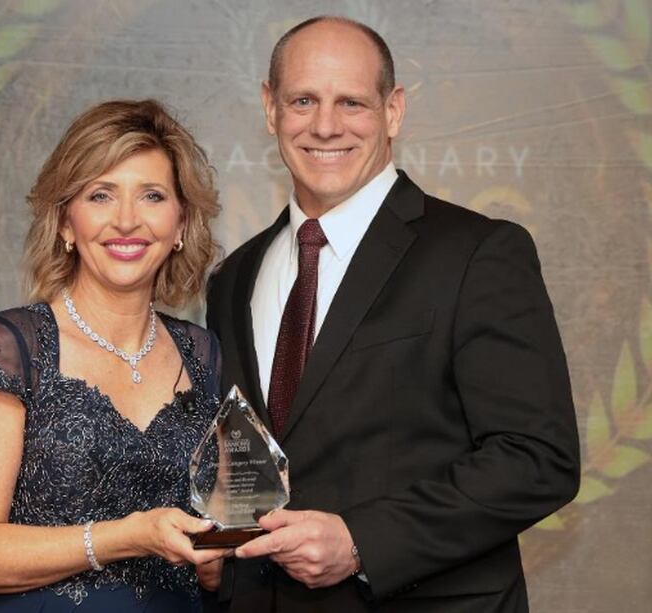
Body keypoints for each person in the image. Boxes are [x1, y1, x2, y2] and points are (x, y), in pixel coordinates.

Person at [205, 16, 580, 613]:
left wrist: (360, 543)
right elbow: (248, 462)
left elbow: (538, 459)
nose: (325, 126)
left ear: (393, 111)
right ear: (270, 108)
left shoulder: (478, 252)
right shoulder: (233, 278)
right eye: (303, 100)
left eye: (351, 102)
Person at [0, 99, 228, 612]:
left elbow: (212, 549)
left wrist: (213, 564)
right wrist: (130, 536)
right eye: (101, 195)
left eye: (152, 196)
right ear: (66, 224)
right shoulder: (12, 345)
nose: (125, 220)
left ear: (181, 224)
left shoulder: (203, 353)